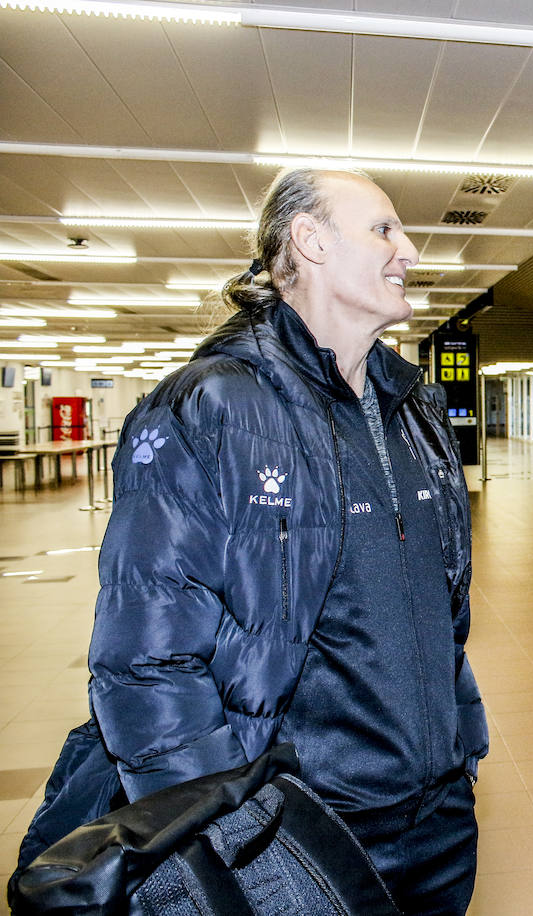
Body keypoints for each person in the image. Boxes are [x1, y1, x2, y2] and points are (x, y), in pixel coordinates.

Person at [54, 169, 485, 913]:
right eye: (384, 228)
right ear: (309, 240)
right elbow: (147, 658)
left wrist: (462, 747)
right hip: (304, 827)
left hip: (439, 818)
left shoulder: (414, 406)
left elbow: (438, 610)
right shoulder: (213, 406)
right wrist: (229, 837)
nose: (408, 249)